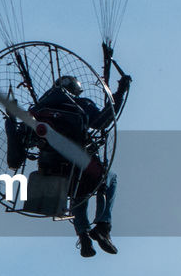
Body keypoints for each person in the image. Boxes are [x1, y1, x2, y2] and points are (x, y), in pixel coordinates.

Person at [31, 72, 131, 257]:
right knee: (107, 179)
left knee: (77, 192)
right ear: (74, 89)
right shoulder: (81, 105)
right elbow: (102, 122)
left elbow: (26, 141)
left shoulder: (39, 111)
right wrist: (120, 93)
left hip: (52, 171)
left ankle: (83, 236)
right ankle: (103, 226)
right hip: (82, 166)